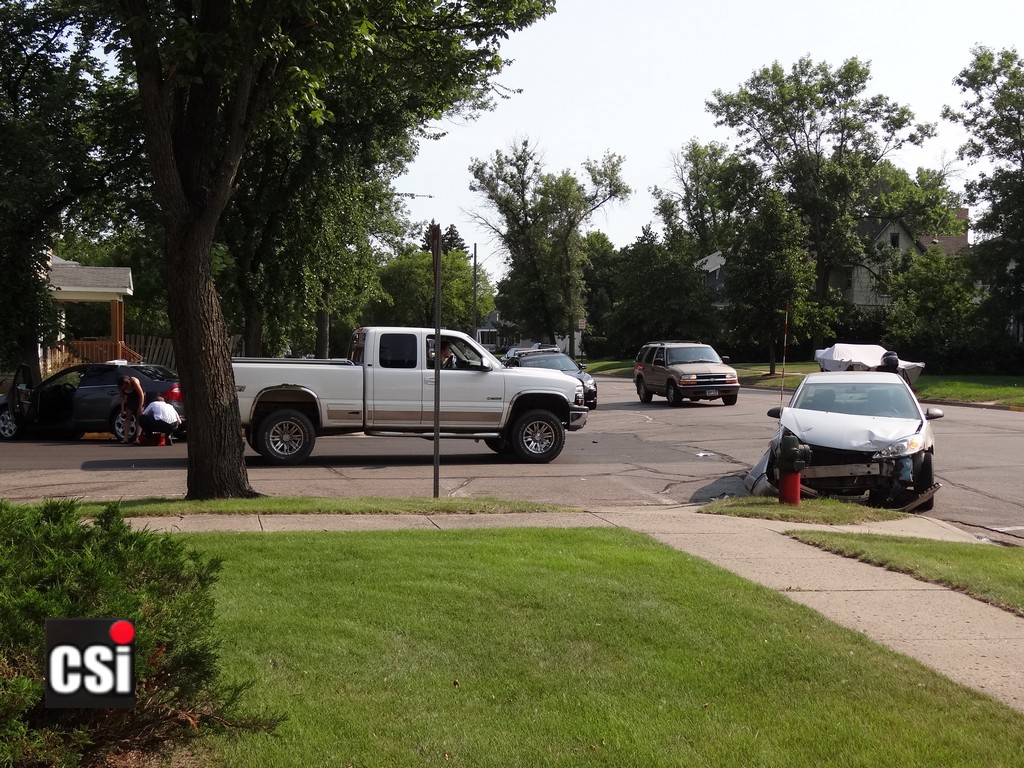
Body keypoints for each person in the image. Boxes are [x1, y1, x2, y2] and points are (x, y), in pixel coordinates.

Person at [118, 374, 146, 444]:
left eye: (124, 387)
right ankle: (126, 439)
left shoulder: (134, 382)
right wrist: (122, 409)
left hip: (139, 398)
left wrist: (140, 407)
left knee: (139, 417)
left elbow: (141, 395)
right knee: (127, 417)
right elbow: (122, 397)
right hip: (131, 399)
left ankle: (137, 438)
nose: (123, 389)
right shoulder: (121, 387)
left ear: (127, 383)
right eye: (122, 388)